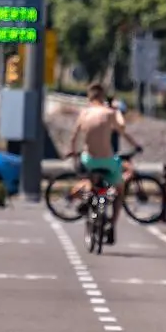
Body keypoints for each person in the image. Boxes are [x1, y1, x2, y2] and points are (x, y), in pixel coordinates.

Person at [67, 84, 142, 243]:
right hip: (108, 161)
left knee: (89, 181)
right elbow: (122, 129)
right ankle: (111, 225)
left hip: (89, 160)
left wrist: (73, 153)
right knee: (119, 189)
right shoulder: (109, 113)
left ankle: (87, 201)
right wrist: (117, 112)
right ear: (102, 97)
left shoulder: (84, 113)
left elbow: (74, 137)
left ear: (90, 97)